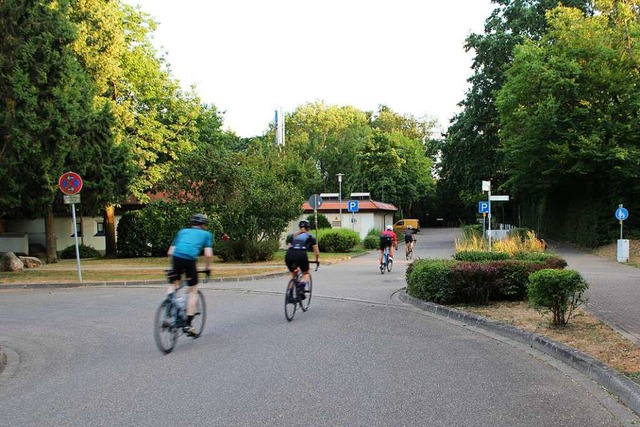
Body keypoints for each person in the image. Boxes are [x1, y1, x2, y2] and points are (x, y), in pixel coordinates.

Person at [167, 213, 213, 336]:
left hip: (176, 258)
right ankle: (188, 324)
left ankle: (170, 300)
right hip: (189, 260)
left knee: (174, 282)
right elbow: (208, 255)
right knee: (193, 290)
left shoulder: (182, 232)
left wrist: (172, 267)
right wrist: (207, 268)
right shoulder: (207, 235)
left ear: (192, 224)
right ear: (203, 225)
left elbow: (170, 252)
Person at [285, 220, 320, 303]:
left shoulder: (292, 235)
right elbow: (316, 252)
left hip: (289, 254)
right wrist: (317, 259)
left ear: (299, 227)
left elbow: (289, 247)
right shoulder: (310, 236)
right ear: (308, 228)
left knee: (293, 273)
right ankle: (301, 289)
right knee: (306, 273)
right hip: (301, 254)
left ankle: (289, 294)